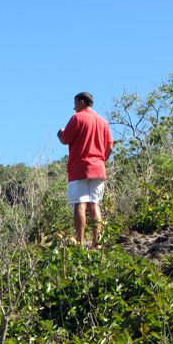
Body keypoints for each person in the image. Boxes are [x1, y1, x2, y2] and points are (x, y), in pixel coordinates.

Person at [57, 92, 113, 248]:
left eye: (75, 103)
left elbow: (65, 139)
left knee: (79, 203)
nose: (74, 107)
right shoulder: (103, 122)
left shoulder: (77, 118)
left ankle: (80, 243)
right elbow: (110, 146)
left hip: (79, 168)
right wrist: (101, 160)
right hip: (98, 168)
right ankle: (97, 243)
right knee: (94, 204)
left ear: (81, 102)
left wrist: (60, 134)